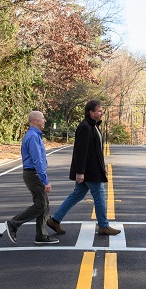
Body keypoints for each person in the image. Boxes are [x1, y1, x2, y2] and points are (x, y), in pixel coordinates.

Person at [47, 100, 121, 236]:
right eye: (99, 110)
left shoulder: (94, 126)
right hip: (88, 171)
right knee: (99, 195)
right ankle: (103, 226)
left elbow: (96, 150)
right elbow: (80, 151)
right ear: (90, 112)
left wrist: (102, 166)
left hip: (93, 168)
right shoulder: (85, 127)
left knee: (78, 194)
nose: (101, 112)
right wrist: (80, 172)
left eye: (101, 110)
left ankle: (55, 220)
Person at [6, 111, 59, 244]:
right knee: (41, 204)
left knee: (44, 204)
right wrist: (45, 180)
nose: (45, 120)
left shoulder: (35, 135)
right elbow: (37, 161)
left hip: (34, 173)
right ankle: (13, 223)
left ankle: (41, 235)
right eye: (42, 118)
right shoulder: (33, 137)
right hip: (33, 174)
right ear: (34, 121)